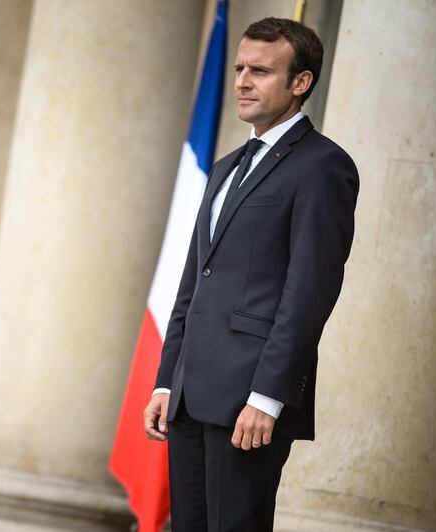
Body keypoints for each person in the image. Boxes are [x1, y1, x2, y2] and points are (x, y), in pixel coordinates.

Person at [143, 17, 359, 531]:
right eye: (240, 68)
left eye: (260, 71)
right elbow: (194, 283)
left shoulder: (324, 167)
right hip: (190, 393)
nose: (242, 80)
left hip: (249, 401)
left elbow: (309, 291)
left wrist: (268, 396)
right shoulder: (224, 168)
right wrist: (167, 380)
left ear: (299, 82)